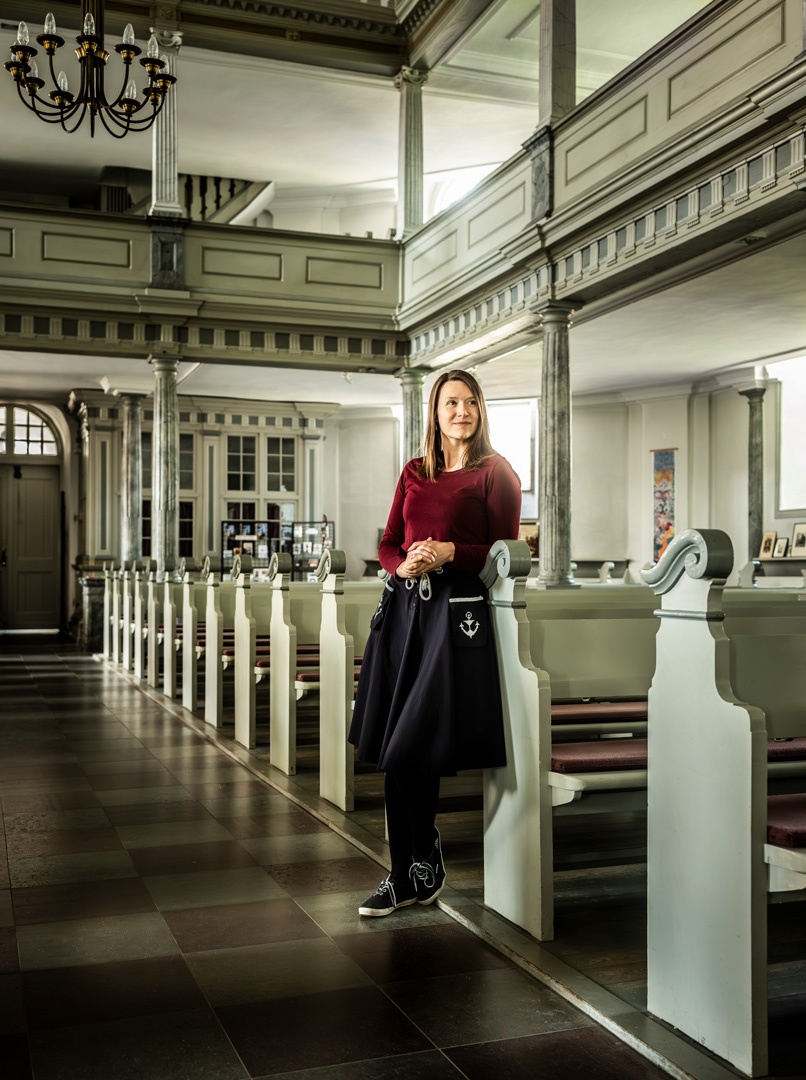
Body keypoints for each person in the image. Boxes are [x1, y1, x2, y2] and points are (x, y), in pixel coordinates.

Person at [349, 369, 522, 917]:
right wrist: (404, 565)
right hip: (404, 616)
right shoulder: (414, 472)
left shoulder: (496, 474)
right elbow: (387, 542)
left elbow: (506, 554)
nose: (461, 411)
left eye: (470, 402)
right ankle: (417, 867)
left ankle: (409, 869)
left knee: (410, 744)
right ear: (435, 410)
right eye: (451, 402)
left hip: (455, 622)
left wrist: (449, 552)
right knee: (399, 746)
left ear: (480, 410)